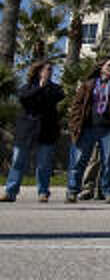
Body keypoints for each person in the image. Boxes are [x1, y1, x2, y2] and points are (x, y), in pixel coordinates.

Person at [66, 57, 110, 204]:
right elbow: (77, 105)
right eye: (109, 65)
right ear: (101, 67)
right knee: (79, 161)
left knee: (108, 162)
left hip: (107, 129)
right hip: (88, 127)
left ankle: (108, 192)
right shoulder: (88, 84)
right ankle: (72, 191)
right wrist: (75, 124)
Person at [3, 61, 63, 203]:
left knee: (44, 164)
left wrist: (45, 87)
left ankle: (43, 192)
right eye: (47, 69)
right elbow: (24, 98)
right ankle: (10, 191)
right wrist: (40, 87)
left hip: (46, 131)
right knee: (18, 162)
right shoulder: (27, 87)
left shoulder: (55, 89)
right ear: (39, 71)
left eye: (51, 69)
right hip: (27, 131)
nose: (50, 71)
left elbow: (59, 96)